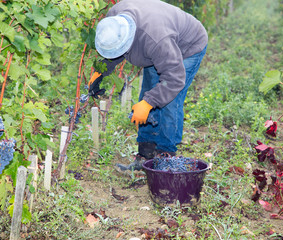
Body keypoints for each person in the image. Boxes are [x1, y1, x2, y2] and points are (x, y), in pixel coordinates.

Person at [88, 0, 208, 171]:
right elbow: (116, 47)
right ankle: (145, 155)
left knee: (168, 101)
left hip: (188, 46)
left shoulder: (156, 40)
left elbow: (174, 79)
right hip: (159, 44)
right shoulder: (114, 20)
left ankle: (166, 157)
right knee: (149, 92)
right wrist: (100, 71)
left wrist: (148, 103)